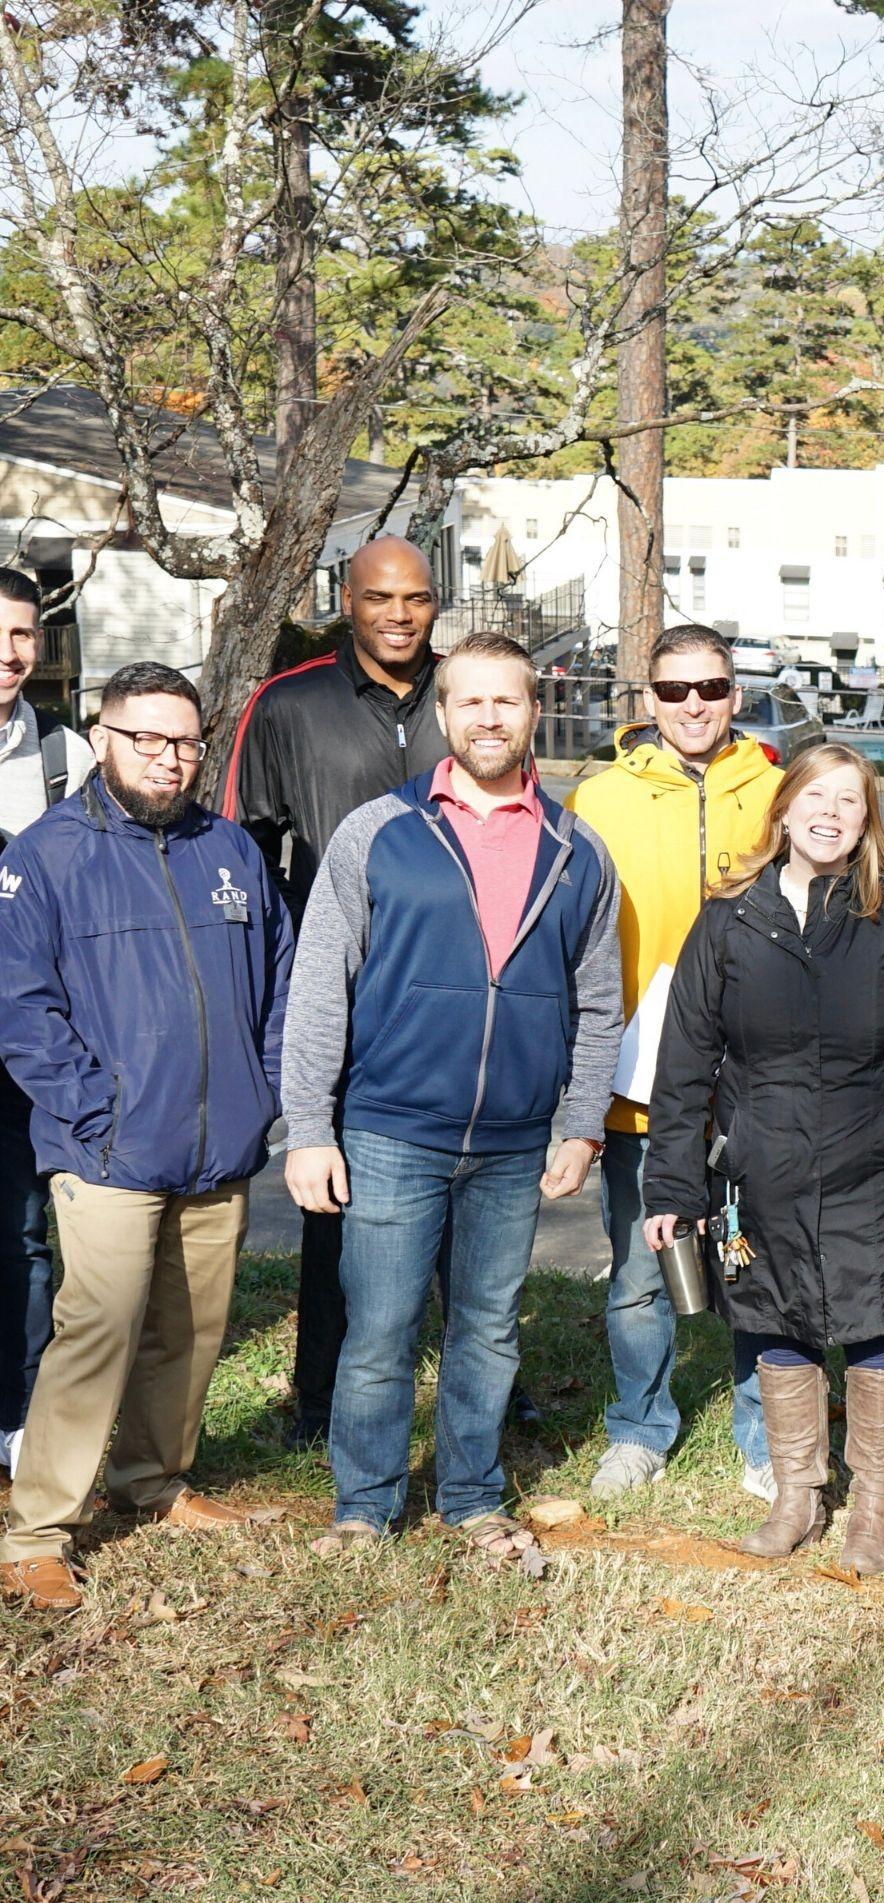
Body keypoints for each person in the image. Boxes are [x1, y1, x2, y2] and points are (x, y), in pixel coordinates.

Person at [280, 632, 621, 1557]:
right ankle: (365, 1505)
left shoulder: (578, 850)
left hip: (513, 1142)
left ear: (534, 711)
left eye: (506, 700)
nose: (488, 718)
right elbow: (320, 985)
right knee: (380, 1331)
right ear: (442, 714)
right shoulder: (378, 832)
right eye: (469, 701)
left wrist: (581, 1124)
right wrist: (309, 1127)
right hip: (391, 1130)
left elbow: (599, 1003)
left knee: (489, 1331)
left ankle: (471, 1497)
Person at [641, 744, 884, 1575]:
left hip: (877, 1171)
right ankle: (797, 1498)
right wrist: (674, 1186)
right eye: (815, 797)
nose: (830, 814)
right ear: (784, 809)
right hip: (761, 1173)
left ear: (868, 822)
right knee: (774, 1320)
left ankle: (874, 1508)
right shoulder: (729, 919)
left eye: (849, 801)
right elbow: (684, 1062)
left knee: (874, 1327)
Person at [0, 664, 291, 1612]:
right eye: (148, 739)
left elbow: (280, 979)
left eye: (186, 742)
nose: (170, 759)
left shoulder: (229, 848)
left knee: (193, 1330)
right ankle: (38, 1531)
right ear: (103, 739)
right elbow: (22, 1011)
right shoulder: (47, 856)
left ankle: (153, 1481)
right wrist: (97, 1115)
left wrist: (262, 1093)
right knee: (99, 1329)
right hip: (108, 1153)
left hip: (219, 1148)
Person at [220, 536, 455, 1450]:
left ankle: (485, 1377)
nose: (399, 615)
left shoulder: (467, 692)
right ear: (346, 601)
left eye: (416, 598)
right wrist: (289, 978)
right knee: (334, 1195)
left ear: (436, 603)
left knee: (472, 1189)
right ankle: (317, 1394)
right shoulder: (290, 705)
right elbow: (249, 853)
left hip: (463, 986)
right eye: (379, 597)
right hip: (346, 993)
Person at [566, 624, 782, 1503]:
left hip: (757, 1083)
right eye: (673, 689)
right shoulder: (598, 800)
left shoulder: (776, 790)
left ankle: (766, 1439)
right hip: (640, 1081)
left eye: (711, 688)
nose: (693, 705)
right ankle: (638, 1428)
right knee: (637, 1273)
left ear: (737, 695)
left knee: (757, 1267)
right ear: (646, 699)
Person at [0, 567, 93, 1481]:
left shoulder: (67, 759)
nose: (9, 653)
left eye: (23, 634)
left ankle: (20, 1415)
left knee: (21, 1235)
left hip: (26, 1040)